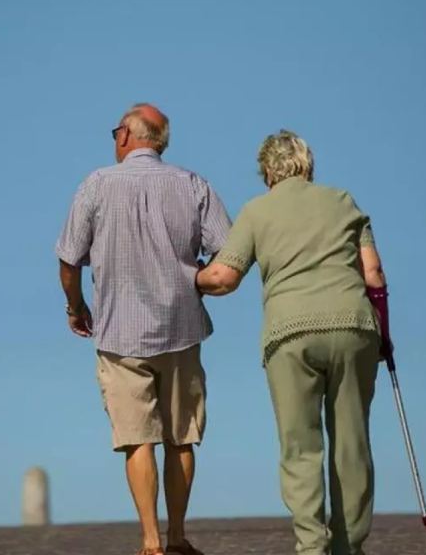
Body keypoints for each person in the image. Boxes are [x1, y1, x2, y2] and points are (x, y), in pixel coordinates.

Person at [195, 130, 393, 555]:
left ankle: (311, 547)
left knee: (300, 447)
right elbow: (373, 273)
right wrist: (385, 335)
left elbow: (224, 278)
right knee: (352, 443)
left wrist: (190, 278)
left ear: (267, 171)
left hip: (290, 335)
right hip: (353, 326)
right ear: (309, 165)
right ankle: (349, 546)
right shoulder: (343, 201)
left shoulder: (256, 211)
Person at [55, 103, 232, 555]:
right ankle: (177, 538)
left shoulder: (96, 184)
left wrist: (76, 307)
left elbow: (69, 259)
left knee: (138, 440)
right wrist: (199, 282)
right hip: (181, 328)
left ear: (125, 138)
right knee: (181, 437)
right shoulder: (192, 184)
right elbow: (230, 254)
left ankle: (150, 542)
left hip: (118, 333)